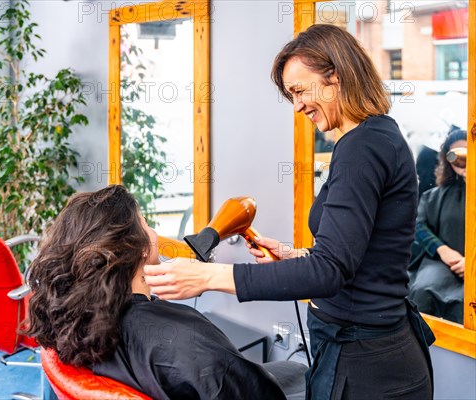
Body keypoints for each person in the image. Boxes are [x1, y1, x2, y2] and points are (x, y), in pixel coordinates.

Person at [144, 24, 435, 400]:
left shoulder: (362, 147)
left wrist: (207, 276)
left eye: (299, 91)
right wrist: (296, 255)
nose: (297, 106)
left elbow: (329, 272)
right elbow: (358, 255)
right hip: (367, 351)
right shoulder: (377, 137)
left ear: (337, 77)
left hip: (370, 368)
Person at [24, 185, 303, 400]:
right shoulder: (183, 338)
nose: (155, 232)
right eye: (146, 223)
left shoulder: (71, 322)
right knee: (304, 372)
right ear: (142, 248)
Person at [408, 130, 467, 323]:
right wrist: (442, 250)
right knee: (422, 290)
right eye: (455, 154)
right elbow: (419, 226)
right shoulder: (433, 196)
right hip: (442, 264)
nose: (462, 159)